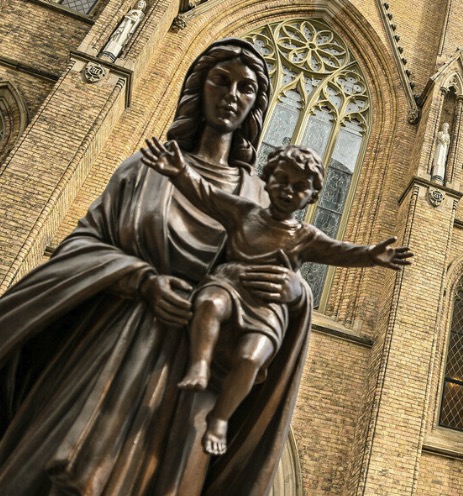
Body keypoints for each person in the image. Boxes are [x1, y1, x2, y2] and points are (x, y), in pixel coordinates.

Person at [0, 39, 321, 495]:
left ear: (256, 105)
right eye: (221, 80)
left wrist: (294, 292)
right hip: (112, 347)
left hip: (195, 378)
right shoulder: (147, 168)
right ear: (198, 87)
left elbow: (283, 280)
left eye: (246, 87)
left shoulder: (258, 198)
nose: (231, 95)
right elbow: (83, 244)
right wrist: (141, 280)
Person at [141, 141, 411, 455]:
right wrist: (180, 172)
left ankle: (220, 418)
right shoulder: (244, 212)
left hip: (267, 307)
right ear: (267, 178)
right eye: (281, 179)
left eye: (299, 186)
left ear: (312, 196)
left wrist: (370, 255)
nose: (287, 190)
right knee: (209, 304)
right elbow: (208, 195)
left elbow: (340, 251)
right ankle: (200, 365)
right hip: (229, 284)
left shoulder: (306, 236)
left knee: (251, 358)